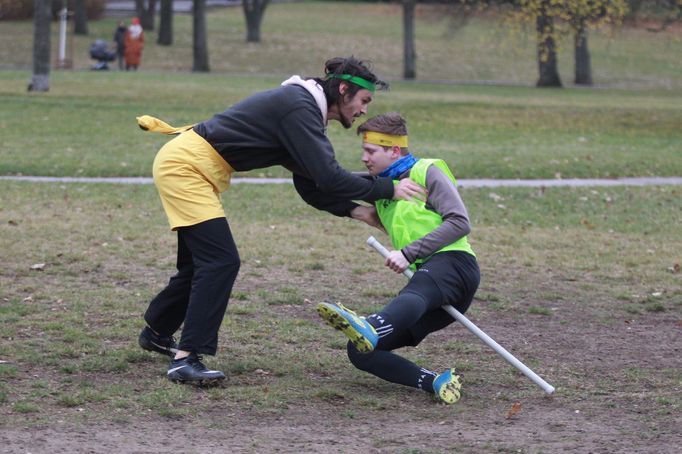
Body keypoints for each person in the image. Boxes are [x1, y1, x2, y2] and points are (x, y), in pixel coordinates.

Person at [136, 57, 427, 385]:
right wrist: (389, 188)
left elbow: (311, 182)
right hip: (185, 168)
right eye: (364, 100)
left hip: (190, 166)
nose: (363, 110)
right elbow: (330, 178)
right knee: (220, 262)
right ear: (344, 90)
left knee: (200, 265)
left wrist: (358, 211)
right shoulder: (298, 108)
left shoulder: (302, 109)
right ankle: (186, 359)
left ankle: (158, 332)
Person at [316, 112, 480, 404]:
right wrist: (357, 210)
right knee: (361, 351)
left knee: (415, 291)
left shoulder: (426, 171)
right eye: (363, 151)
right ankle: (435, 382)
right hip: (426, 289)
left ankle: (373, 323)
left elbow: (459, 222)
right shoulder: (381, 187)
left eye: (371, 151)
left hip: (453, 266)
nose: (364, 158)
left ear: (393, 150)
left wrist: (408, 253)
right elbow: (325, 185)